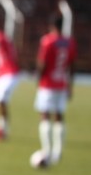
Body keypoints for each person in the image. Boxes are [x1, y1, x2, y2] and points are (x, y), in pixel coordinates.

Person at [33, 14, 76, 165]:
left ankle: (46, 150)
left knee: (45, 116)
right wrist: (70, 86)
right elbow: (71, 66)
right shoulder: (69, 42)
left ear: (51, 26)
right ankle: (58, 152)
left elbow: (42, 62)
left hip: (47, 84)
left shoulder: (47, 41)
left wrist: (37, 76)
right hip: (62, 84)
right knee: (59, 117)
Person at [0, 26, 19, 141]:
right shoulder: (3, 39)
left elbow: (0, 41)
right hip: (2, 75)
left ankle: (2, 129)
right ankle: (0, 127)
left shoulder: (0, 37)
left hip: (9, 73)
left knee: (1, 100)